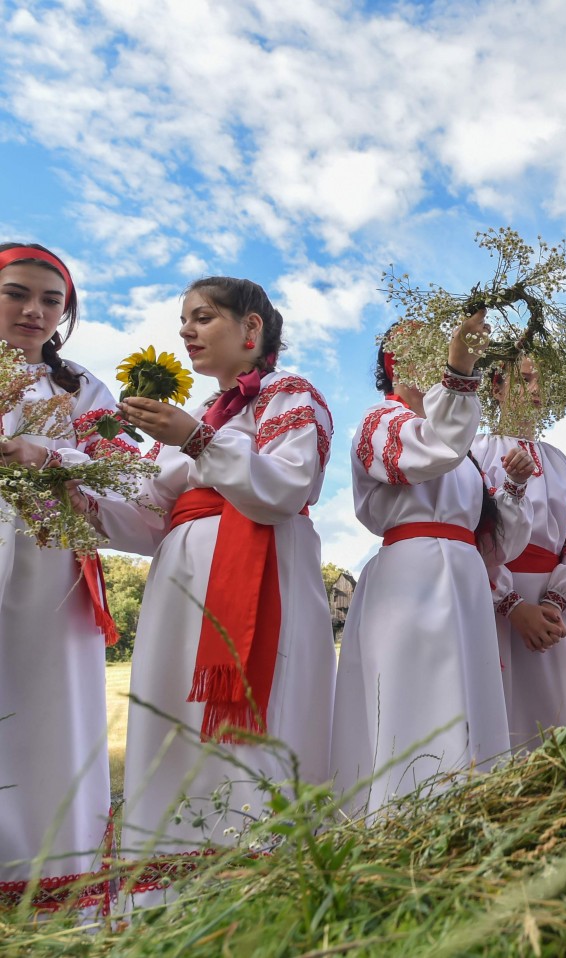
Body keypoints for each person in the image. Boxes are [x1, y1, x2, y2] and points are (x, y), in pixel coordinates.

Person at [89, 276, 335, 898]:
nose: (186, 331)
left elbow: (287, 487)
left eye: (202, 317)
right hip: (179, 586)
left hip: (261, 574)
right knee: (175, 717)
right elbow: (150, 517)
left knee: (255, 727)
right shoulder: (197, 414)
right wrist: (72, 482)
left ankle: (260, 881)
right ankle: (168, 889)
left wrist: (196, 441)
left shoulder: (289, 394)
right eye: (184, 320)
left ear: (252, 328)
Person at [330, 314, 534, 819]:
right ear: (392, 366)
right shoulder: (382, 421)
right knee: (415, 695)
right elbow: (431, 449)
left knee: (470, 697)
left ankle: (472, 817)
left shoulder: (464, 454)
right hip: (412, 575)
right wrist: (461, 374)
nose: (427, 357)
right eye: (413, 349)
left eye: (434, 346)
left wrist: (512, 489)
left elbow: (497, 546)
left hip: (465, 580)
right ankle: (406, 818)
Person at [0, 243, 132, 912]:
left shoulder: (79, 387)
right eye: (16, 293)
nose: (34, 310)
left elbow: (121, 466)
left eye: (51, 301)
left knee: (49, 706)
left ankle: (52, 873)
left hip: (49, 558)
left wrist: (46, 454)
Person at [471, 358, 566, 752]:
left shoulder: (559, 462)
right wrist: (511, 605)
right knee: (498, 716)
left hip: (551, 613)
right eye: (523, 379)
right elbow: (471, 534)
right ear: (496, 388)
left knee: (556, 722)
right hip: (492, 606)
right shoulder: (475, 450)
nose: (534, 389)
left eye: (540, 380)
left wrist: (554, 604)